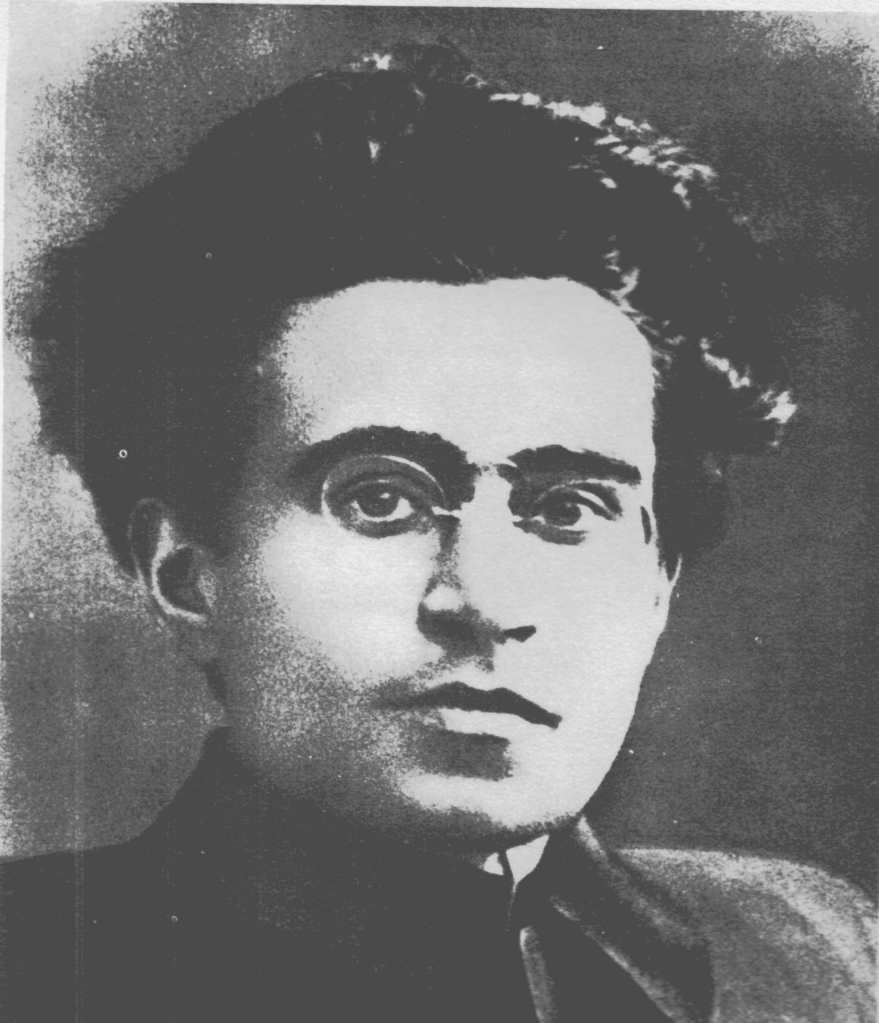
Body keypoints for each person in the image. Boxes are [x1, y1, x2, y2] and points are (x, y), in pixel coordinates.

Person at [2, 43, 873, 1023]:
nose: (484, 603)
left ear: (657, 581)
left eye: (566, 508)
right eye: (381, 499)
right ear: (186, 573)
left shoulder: (815, 949)